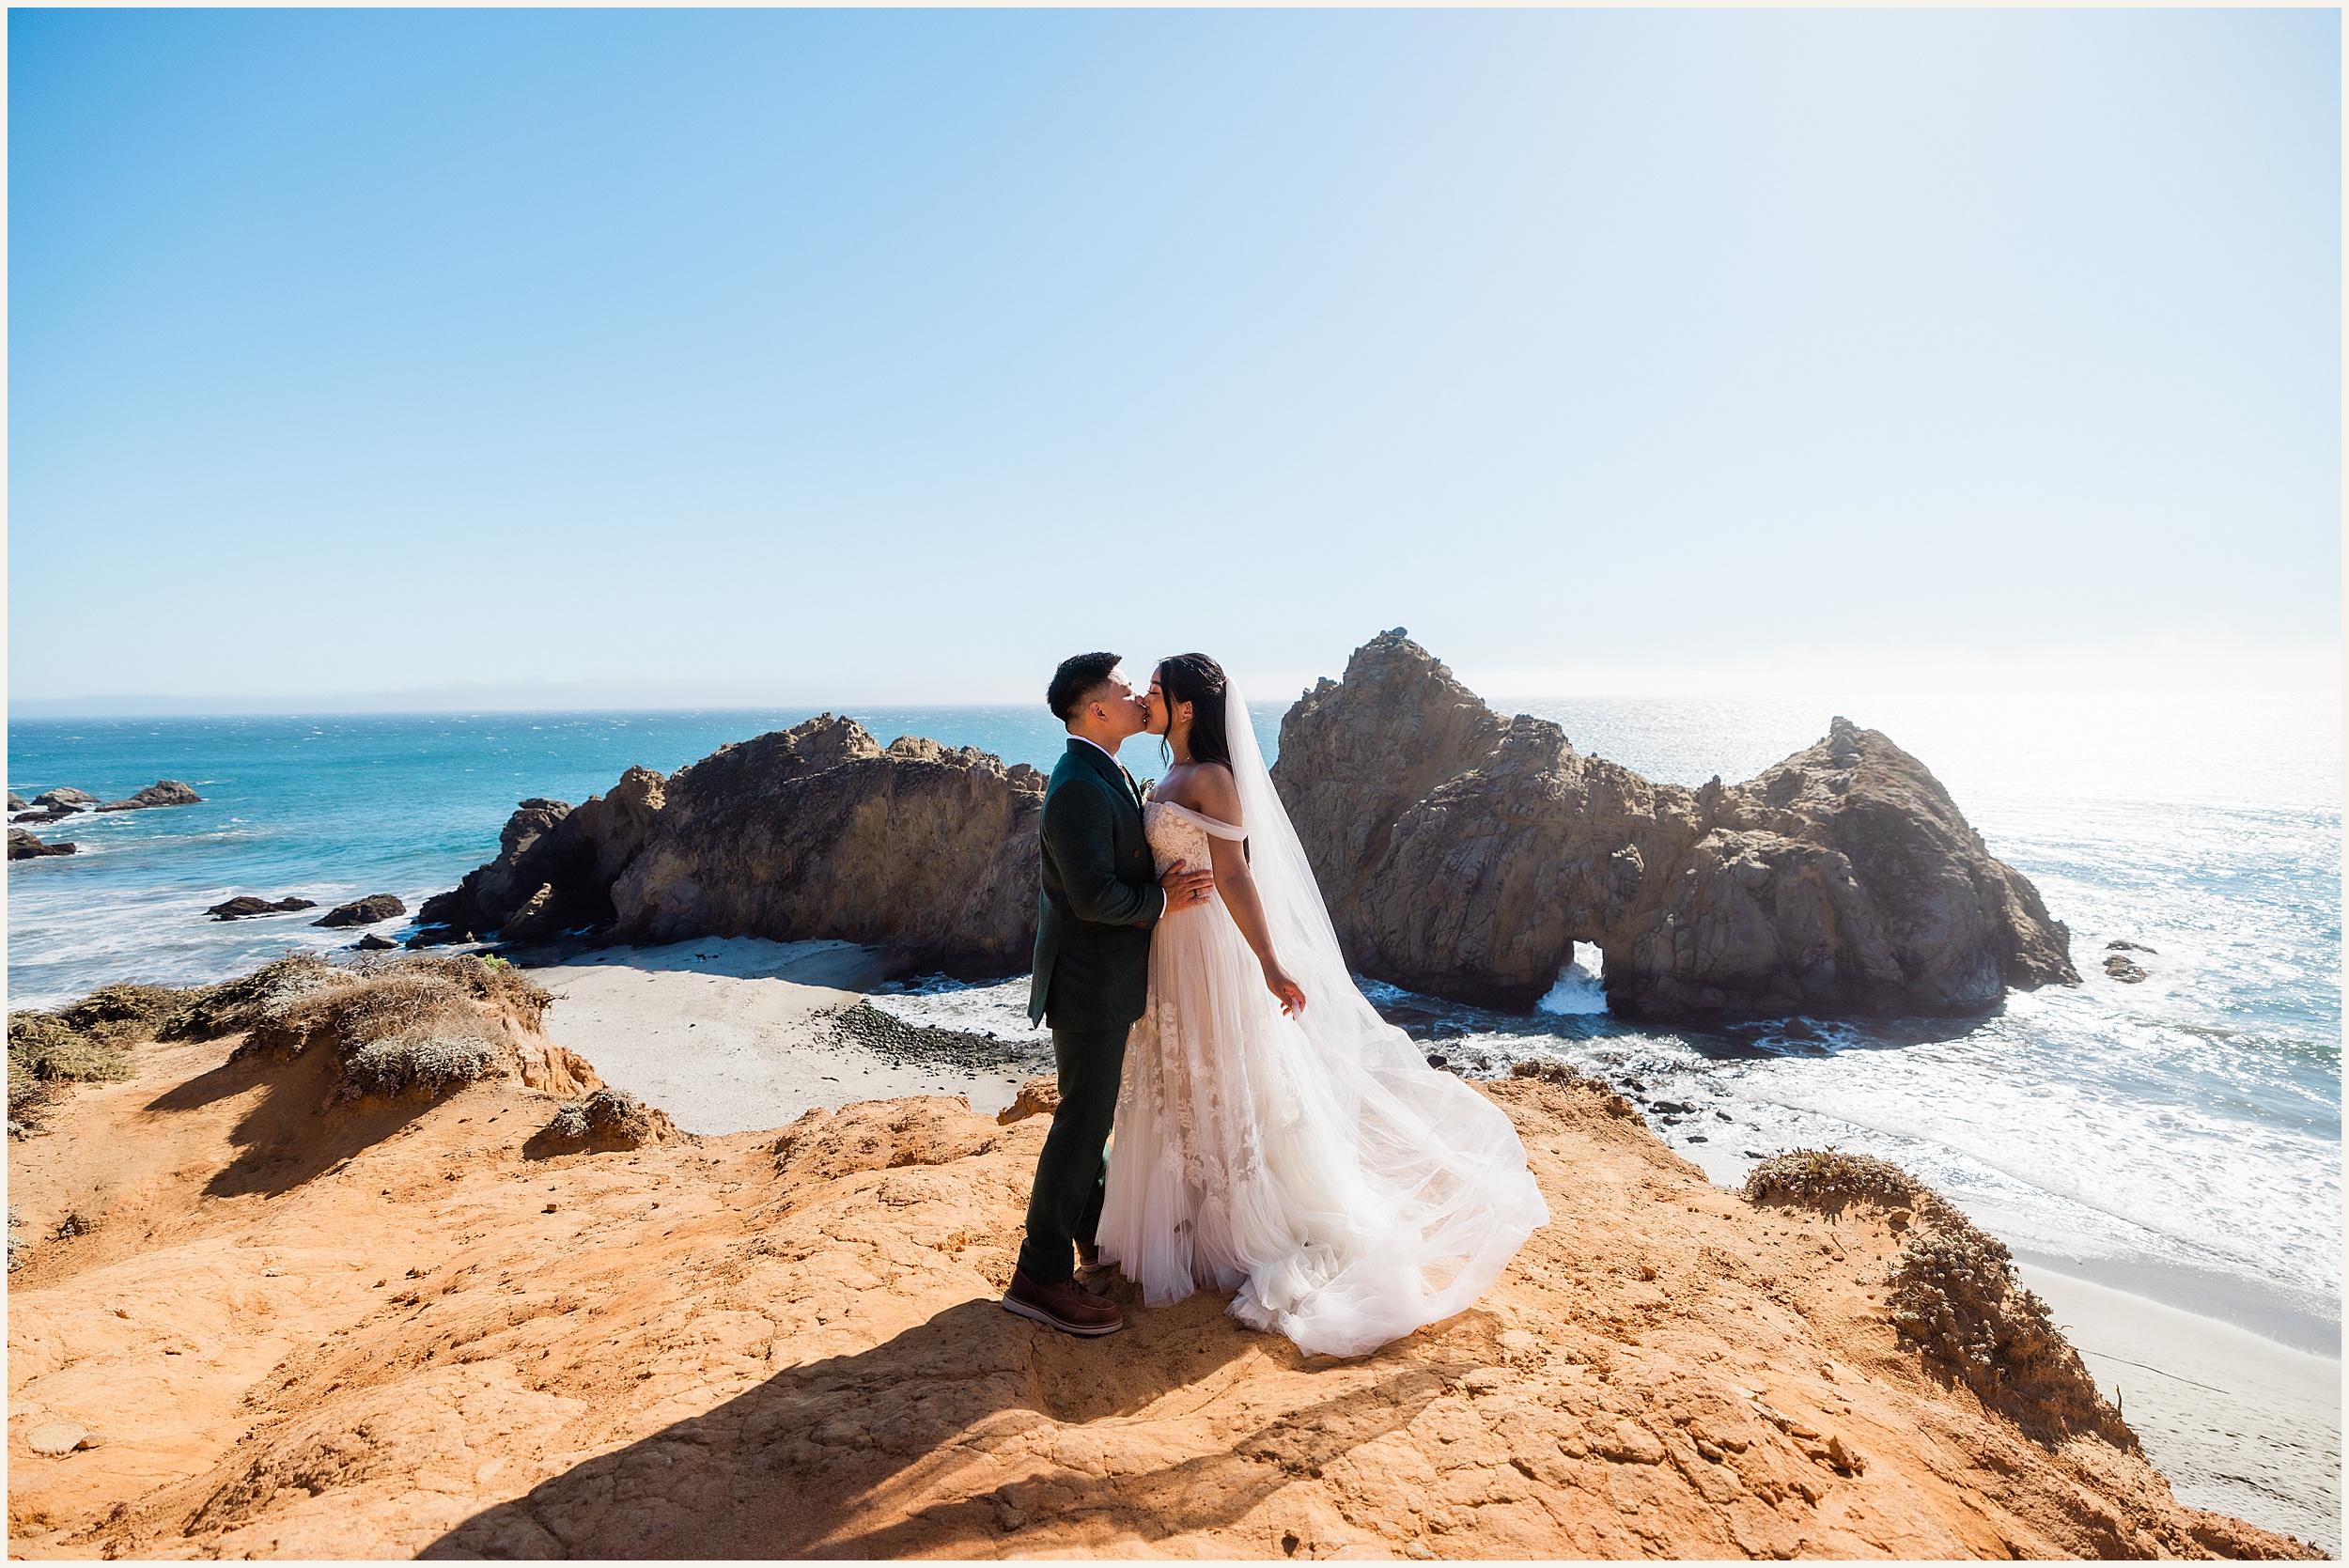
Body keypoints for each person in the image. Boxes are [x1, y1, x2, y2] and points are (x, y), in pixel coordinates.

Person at [1094, 652, 1549, 1358]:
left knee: (1222, 1073)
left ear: (1186, 707)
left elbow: (1236, 873)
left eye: (1157, 690)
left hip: (1209, 948)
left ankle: (1233, 1226)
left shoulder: (1212, 778)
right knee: (1177, 1074)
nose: (1147, 698)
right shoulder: (1167, 775)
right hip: (1168, 944)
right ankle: (1180, 1222)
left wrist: (1271, 963)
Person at [1001, 652, 1215, 1337]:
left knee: (1091, 1113)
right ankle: (1040, 1274)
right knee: (1082, 1121)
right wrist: (1162, 899)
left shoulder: (1105, 769)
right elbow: (1092, 895)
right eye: (1125, 691)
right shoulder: (1076, 786)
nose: (1135, 698)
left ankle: (1093, 1235)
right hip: (1087, 983)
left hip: (1105, 979)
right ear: (1096, 709)